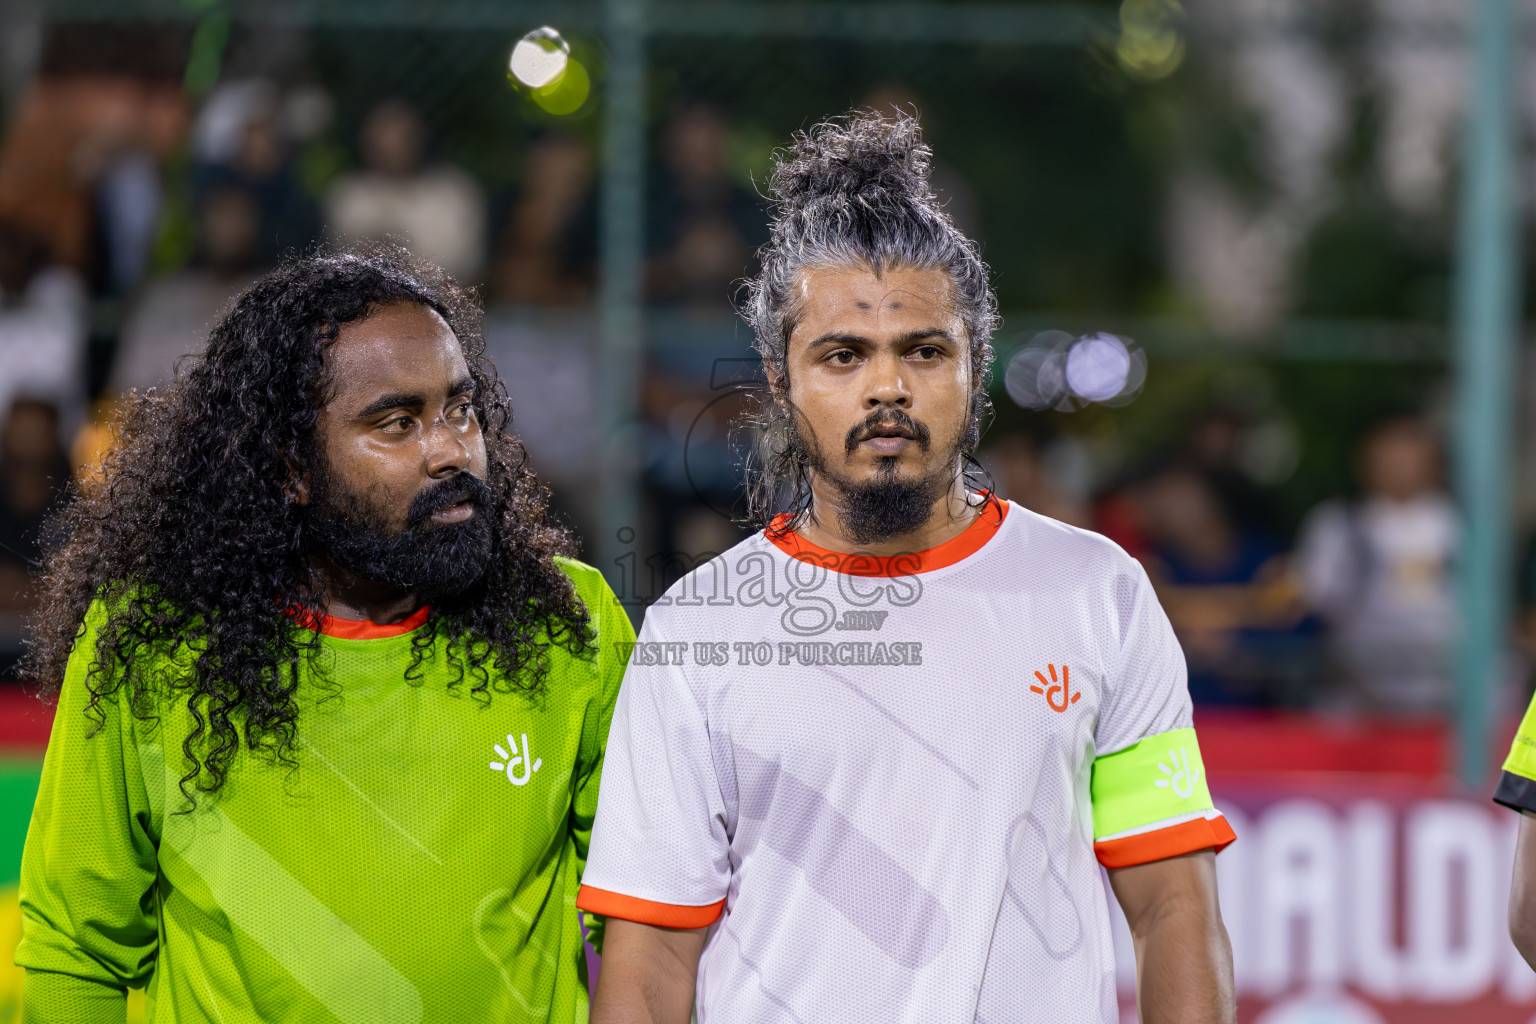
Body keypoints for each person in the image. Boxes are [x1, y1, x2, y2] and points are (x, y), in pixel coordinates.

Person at [578, 111, 1236, 1024]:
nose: (886, 387)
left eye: (923, 351)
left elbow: (1172, 906)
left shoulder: (1100, 595)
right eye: (843, 356)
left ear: (976, 364)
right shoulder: (698, 627)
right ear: (779, 380)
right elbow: (650, 967)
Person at [16, 245, 631, 1022]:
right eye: (397, 423)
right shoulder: (154, 642)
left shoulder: (565, 620)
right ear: (289, 467)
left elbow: (645, 917)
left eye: (461, 408)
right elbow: (77, 946)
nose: (450, 449)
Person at [1293, 416, 1457, 715]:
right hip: (1360, 703)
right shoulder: (1337, 525)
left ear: (1435, 462)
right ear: (1363, 462)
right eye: (1387, 455)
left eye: (1409, 454)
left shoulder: (1465, 528)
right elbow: (1313, 600)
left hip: (1452, 702)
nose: (1398, 466)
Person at [325, 99, 486, 282]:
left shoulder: (454, 193)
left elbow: (463, 264)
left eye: (402, 137)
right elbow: (342, 255)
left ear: (420, 138)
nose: (392, 147)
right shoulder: (349, 193)